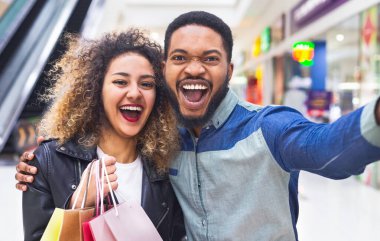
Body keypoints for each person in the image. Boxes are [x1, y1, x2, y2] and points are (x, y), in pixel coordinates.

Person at [16, 11, 380, 241]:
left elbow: (327, 147)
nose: (194, 69)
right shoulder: (160, 144)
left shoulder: (268, 129)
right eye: (180, 58)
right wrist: (57, 162)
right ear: (166, 71)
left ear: (229, 71)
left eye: (210, 58)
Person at [20, 29, 185, 241]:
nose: (135, 93)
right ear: (96, 90)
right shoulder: (48, 162)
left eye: (146, 84)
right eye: (120, 82)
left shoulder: (169, 168)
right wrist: (78, 205)